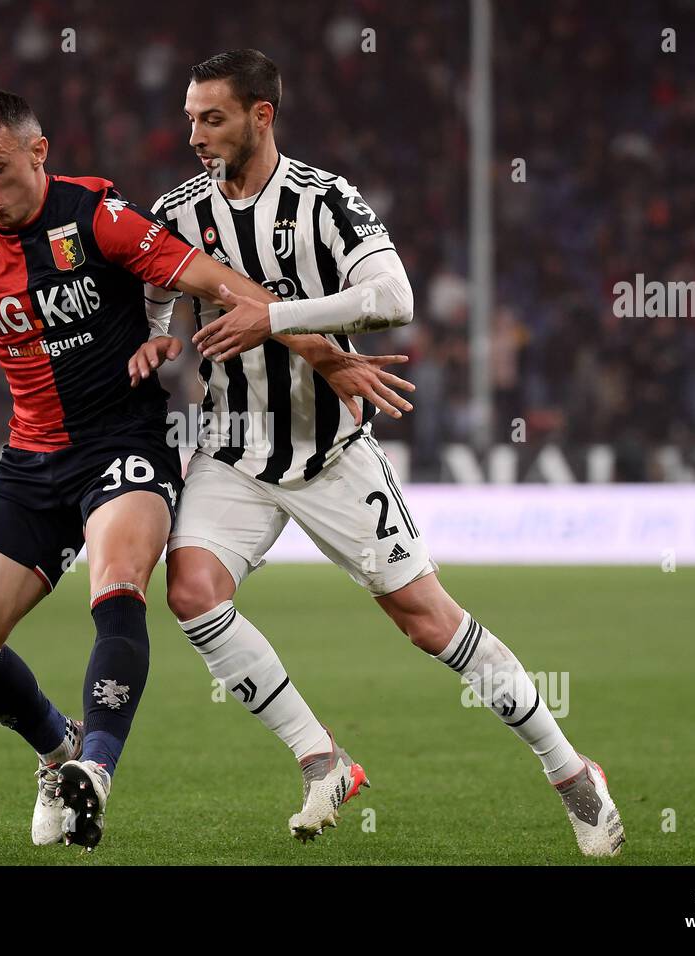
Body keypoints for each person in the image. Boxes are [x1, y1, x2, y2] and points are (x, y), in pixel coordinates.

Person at [0, 89, 403, 851]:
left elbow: (221, 286)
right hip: (31, 462)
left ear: (39, 153)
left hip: (125, 447)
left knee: (119, 585)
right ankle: (60, 748)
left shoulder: (100, 218)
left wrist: (328, 357)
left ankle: (96, 772)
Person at [134, 50, 624, 854]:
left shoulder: (326, 199)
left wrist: (278, 318)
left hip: (332, 452)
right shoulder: (180, 210)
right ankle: (323, 756)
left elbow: (393, 297)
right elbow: (156, 290)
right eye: (189, 117)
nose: (194, 134)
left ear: (262, 116)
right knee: (191, 592)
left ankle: (571, 771)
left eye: (211, 117)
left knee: (427, 622)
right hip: (232, 451)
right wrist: (157, 339)